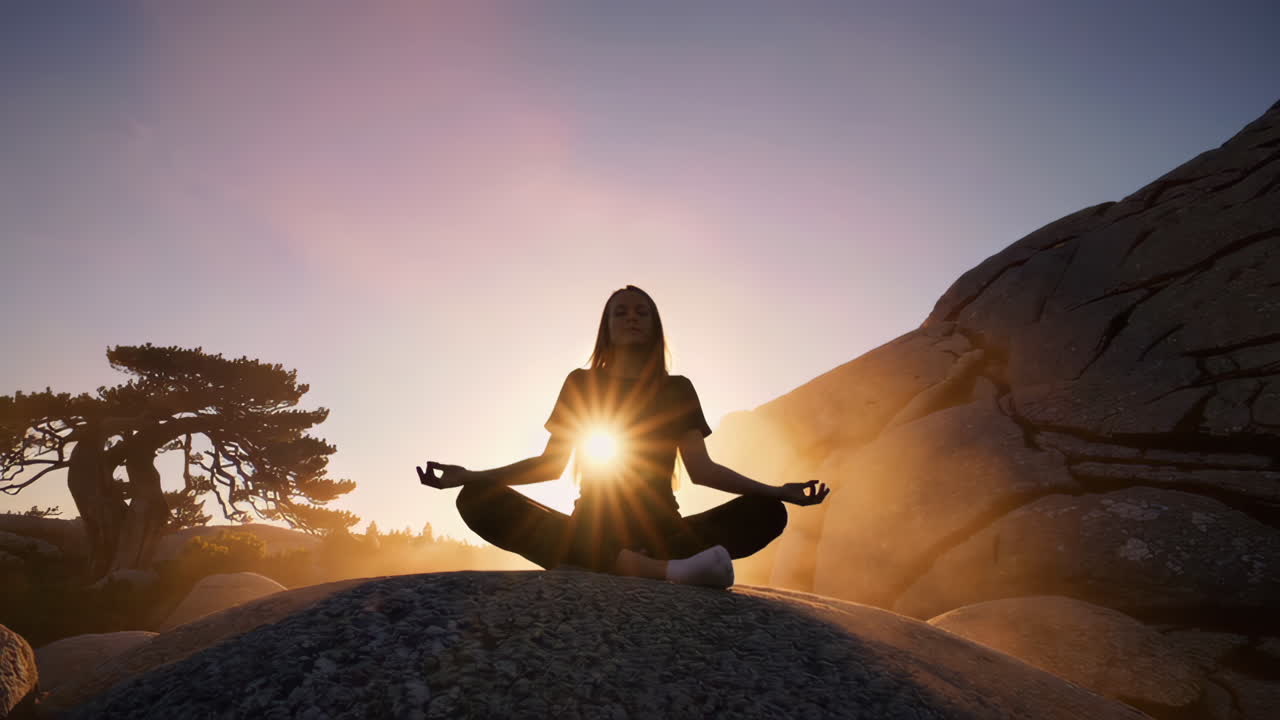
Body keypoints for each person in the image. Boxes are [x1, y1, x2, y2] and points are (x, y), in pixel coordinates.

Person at [417, 285, 829, 589]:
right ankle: (661, 570)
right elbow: (550, 465)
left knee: (769, 512)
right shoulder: (581, 384)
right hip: (594, 524)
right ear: (607, 328)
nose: (631, 317)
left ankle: (609, 563)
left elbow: (702, 470)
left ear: (654, 327)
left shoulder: (677, 389)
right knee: (475, 497)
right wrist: (470, 475)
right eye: (621, 312)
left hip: (663, 530)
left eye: (641, 312)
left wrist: (779, 490)